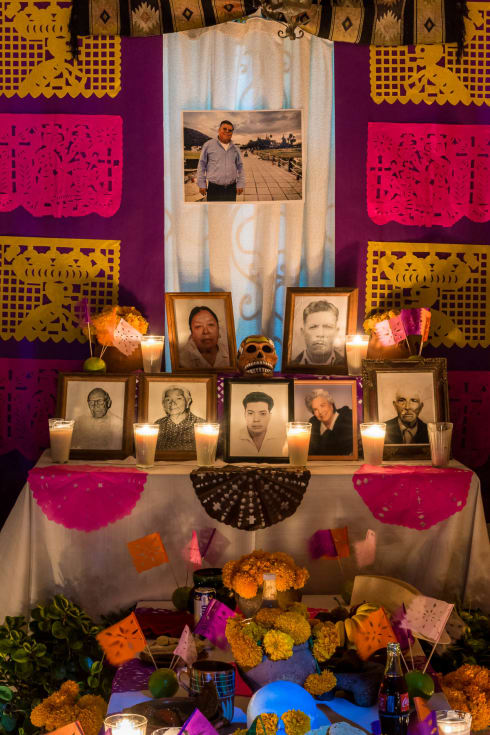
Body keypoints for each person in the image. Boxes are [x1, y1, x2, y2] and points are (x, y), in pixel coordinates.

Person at [197, 120, 245, 202]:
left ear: (232, 133)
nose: (227, 132)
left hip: (231, 189)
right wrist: (202, 183)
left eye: (230, 130)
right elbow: (202, 164)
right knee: (213, 213)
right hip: (214, 188)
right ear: (219, 130)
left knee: (230, 212)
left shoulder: (235, 148)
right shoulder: (208, 145)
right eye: (224, 129)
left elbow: (240, 166)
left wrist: (240, 183)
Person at [233, 391, 285, 457]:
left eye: (262, 413)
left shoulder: (282, 440)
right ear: (245, 415)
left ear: (270, 416)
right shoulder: (233, 440)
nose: (256, 419)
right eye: (250, 413)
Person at [292, 300, 344, 366]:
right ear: (303, 332)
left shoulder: (346, 366)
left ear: (336, 332)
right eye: (313, 327)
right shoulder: (290, 366)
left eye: (327, 327)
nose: (320, 334)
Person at [305, 388, 353, 455]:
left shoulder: (349, 418)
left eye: (322, 405)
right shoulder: (312, 426)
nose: (320, 412)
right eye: (315, 409)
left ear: (331, 404)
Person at [155, 386, 204, 451]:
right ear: (164, 404)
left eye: (178, 398)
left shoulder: (201, 424)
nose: (172, 403)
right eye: (168, 399)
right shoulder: (158, 425)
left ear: (188, 401)